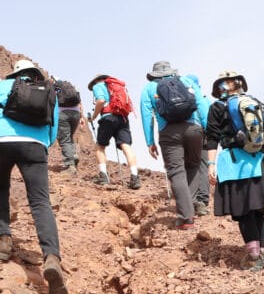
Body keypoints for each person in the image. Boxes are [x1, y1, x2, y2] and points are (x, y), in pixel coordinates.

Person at [0, 59, 67, 294]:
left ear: (16, 73)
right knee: (40, 202)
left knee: (1, 187)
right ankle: (51, 257)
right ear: (34, 74)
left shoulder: (2, 86)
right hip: (35, 147)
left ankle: (4, 242)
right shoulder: (48, 91)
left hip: (0, 142)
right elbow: (54, 130)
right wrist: (42, 146)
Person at [205, 70, 264, 270]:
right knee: (258, 210)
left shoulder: (217, 107)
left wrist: (211, 165)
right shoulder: (256, 103)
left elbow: (212, 137)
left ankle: (254, 257)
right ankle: (263, 254)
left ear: (220, 88)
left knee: (244, 211)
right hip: (259, 159)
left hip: (235, 163)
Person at [140, 62, 209, 230]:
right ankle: (191, 205)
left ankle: (186, 218)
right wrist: (207, 129)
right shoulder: (186, 81)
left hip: (168, 132)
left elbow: (146, 115)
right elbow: (202, 104)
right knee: (193, 165)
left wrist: (150, 141)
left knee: (177, 171)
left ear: (154, 74)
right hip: (194, 128)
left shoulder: (149, 88)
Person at [87, 74, 141, 189]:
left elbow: (101, 101)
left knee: (100, 146)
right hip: (123, 118)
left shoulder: (98, 86)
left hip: (108, 118)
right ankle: (135, 177)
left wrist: (94, 116)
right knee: (126, 146)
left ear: (96, 81)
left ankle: (103, 176)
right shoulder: (117, 86)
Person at [185, 74, 212, 215]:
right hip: (202, 133)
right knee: (203, 165)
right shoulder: (204, 98)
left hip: (185, 132)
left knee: (189, 166)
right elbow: (209, 116)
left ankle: (190, 199)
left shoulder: (182, 96)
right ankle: (202, 200)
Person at [52, 77, 85, 174]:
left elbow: (52, 102)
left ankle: (69, 166)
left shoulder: (55, 88)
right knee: (69, 136)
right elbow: (80, 103)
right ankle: (74, 155)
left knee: (64, 139)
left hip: (63, 113)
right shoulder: (72, 88)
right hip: (76, 114)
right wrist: (81, 117)